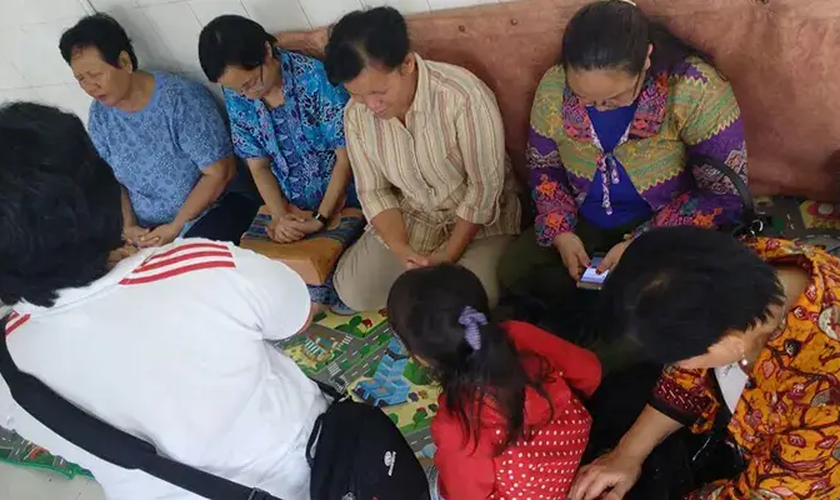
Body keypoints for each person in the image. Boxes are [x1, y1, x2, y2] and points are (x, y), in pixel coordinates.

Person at [0, 102, 325, 500]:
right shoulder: (197, 267)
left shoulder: (9, 366)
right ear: (102, 193)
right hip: (306, 474)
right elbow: (298, 314)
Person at [498, 0, 748, 340]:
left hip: (666, 222)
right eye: (583, 97)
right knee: (515, 268)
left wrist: (642, 241)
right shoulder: (554, 88)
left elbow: (724, 195)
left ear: (646, 58)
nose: (596, 107)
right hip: (585, 219)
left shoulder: (695, 89)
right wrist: (561, 231)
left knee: (649, 313)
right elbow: (545, 168)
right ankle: (590, 317)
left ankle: (607, 337)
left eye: (612, 98)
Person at [569, 227, 840, 500]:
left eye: (676, 357)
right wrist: (626, 454)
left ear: (732, 343)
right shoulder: (734, 270)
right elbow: (685, 376)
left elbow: (760, 493)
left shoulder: (825, 407)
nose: (674, 366)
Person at [325, 7, 521, 312]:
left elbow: (484, 188)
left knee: (467, 303)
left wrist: (448, 255)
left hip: (480, 222)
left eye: (379, 92)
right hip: (415, 215)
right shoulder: (356, 114)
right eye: (358, 95)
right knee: (354, 291)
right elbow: (374, 191)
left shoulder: (462, 96)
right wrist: (400, 249)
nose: (371, 106)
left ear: (407, 64)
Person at [387, 264, 602, 499]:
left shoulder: (457, 423)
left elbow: (465, 495)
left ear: (421, 358)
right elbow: (591, 372)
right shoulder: (517, 333)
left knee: (433, 483)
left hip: (536, 493)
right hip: (579, 448)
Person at [198, 15, 359, 308]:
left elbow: (346, 158)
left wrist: (320, 219)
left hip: (343, 202)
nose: (248, 94)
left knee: (337, 294)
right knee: (267, 293)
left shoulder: (314, 79)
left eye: (249, 83)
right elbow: (258, 166)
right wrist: (279, 216)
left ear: (267, 53)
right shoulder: (239, 96)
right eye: (237, 90)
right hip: (290, 208)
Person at [59, 14, 257, 248]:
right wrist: (128, 227)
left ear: (124, 62)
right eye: (81, 79)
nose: (90, 87)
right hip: (149, 227)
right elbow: (112, 179)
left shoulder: (180, 100)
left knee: (188, 265)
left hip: (212, 210)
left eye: (95, 75)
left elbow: (219, 173)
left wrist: (175, 227)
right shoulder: (101, 116)